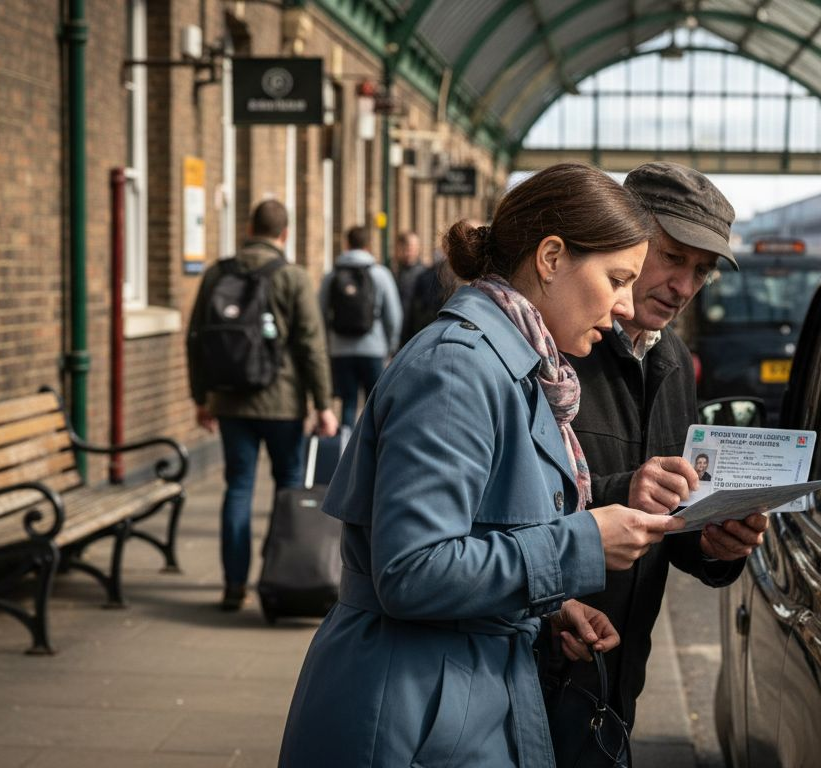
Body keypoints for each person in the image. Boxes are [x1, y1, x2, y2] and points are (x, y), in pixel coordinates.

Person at [279, 163, 688, 767]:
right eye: (617, 279)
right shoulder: (457, 370)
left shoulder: (516, 366)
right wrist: (582, 544)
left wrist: (551, 606)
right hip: (411, 712)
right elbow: (412, 569)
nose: (625, 306)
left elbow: (476, 532)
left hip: (452, 695)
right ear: (551, 258)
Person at [558, 161, 769, 735]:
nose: (684, 287)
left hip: (619, 678)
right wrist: (621, 491)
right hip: (536, 662)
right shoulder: (560, 344)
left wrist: (714, 543)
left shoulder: (672, 360)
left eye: (702, 271)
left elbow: (671, 521)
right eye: (673, 257)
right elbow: (501, 509)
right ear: (622, 237)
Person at [186, 200, 339, 611]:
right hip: (281, 403)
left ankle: (234, 585)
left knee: (238, 487)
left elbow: (196, 337)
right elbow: (310, 344)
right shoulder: (292, 276)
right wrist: (323, 404)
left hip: (229, 401)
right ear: (284, 234)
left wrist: (202, 397)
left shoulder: (218, 273)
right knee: (288, 489)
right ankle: (281, 577)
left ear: (249, 228)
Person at [318, 226, 402, 429]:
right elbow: (394, 315)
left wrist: (329, 343)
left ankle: (346, 442)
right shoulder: (380, 274)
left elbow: (320, 311)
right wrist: (391, 347)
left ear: (346, 244)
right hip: (374, 349)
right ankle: (371, 446)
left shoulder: (332, 275)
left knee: (348, 403)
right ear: (368, 245)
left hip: (340, 350)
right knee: (375, 404)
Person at [393, 229, 426, 312]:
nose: (408, 251)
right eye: (406, 247)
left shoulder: (424, 274)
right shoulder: (394, 272)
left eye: (412, 247)